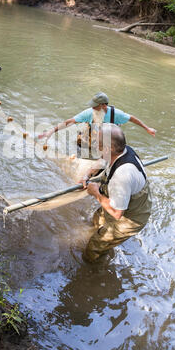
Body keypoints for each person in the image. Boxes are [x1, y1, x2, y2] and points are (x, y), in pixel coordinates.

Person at [80, 124, 152, 263]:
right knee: (97, 219)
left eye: (97, 143)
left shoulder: (122, 176)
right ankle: (107, 242)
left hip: (130, 218)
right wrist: (87, 174)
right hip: (125, 200)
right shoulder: (124, 150)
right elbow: (103, 160)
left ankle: (95, 272)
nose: (94, 146)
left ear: (108, 148)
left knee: (94, 247)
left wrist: (96, 193)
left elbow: (117, 213)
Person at [38, 92, 156, 158]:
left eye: (95, 105)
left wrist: (147, 129)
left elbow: (132, 119)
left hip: (104, 142)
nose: (92, 107)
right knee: (82, 151)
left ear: (104, 106)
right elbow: (70, 122)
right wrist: (51, 131)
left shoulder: (116, 114)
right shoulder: (89, 113)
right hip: (88, 139)